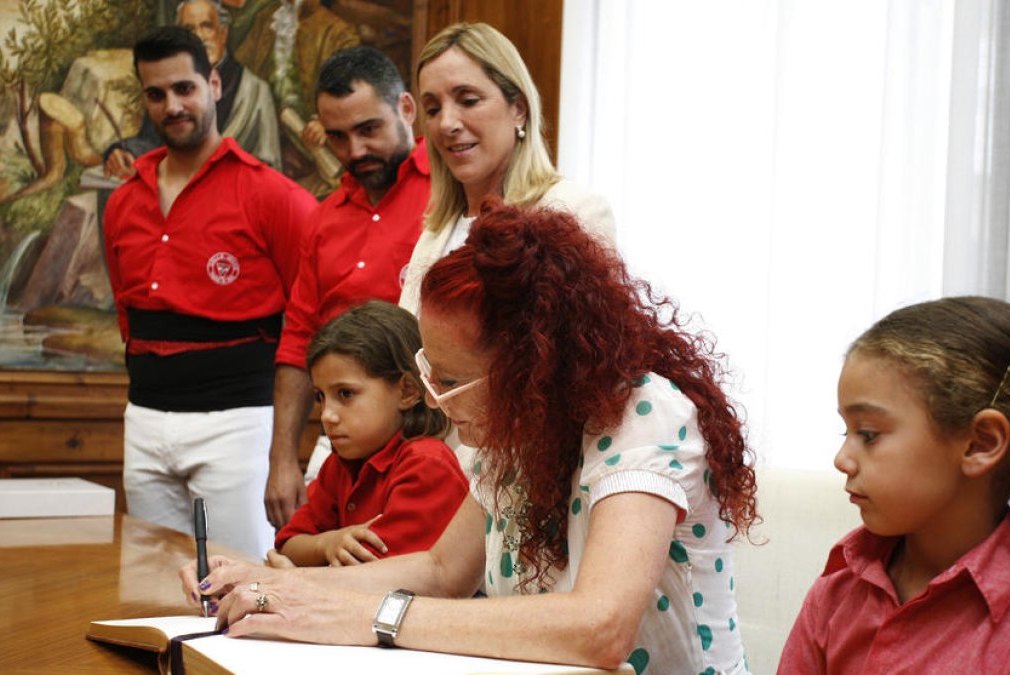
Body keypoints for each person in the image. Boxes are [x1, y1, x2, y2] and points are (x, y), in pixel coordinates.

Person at [181, 202, 759, 674]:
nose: (434, 399)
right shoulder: (516, 430)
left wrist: (364, 615)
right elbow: (439, 571)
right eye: (430, 372)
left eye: (452, 380)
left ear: (535, 367)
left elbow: (600, 627)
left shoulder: (645, 413)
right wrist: (281, 584)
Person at [777, 296, 1010, 673]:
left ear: (980, 443)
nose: (842, 459)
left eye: (868, 434)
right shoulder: (835, 595)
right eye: (847, 430)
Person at [103, 26, 316, 560]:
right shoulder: (122, 202)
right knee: (150, 593)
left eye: (184, 89)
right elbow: (127, 317)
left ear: (214, 84)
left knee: (247, 583)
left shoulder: (274, 197)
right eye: (156, 94)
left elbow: (309, 319)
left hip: (238, 423)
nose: (172, 106)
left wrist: (285, 453)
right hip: (145, 418)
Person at [264, 45, 431, 530]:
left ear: (405, 109)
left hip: (431, 441)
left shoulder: (449, 197)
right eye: (337, 137)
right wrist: (282, 461)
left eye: (368, 130)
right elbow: (298, 342)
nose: (353, 152)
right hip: (342, 448)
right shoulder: (323, 219)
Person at [397, 22, 615, 315]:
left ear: (519, 109)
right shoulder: (435, 233)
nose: (447, 123)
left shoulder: (577, 211)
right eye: (433, 109)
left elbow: (582, 350)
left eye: (468, 100)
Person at [271, 301, 467, 567]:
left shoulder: (427, 464)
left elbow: (371, 571)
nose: (327, 414)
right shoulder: (339, 465)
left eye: (345, 394)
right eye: (321, 396)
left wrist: (295, 573)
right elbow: (288, 543)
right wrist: (327, 543)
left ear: (407, 391)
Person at [104, 0, 281, 177]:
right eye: (189, 30)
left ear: (223, 33)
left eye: (206, 26)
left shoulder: (255, 91)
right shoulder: (167, 86)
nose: (199, 37)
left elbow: (269, 168)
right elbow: (151, 142)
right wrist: (125, 153)